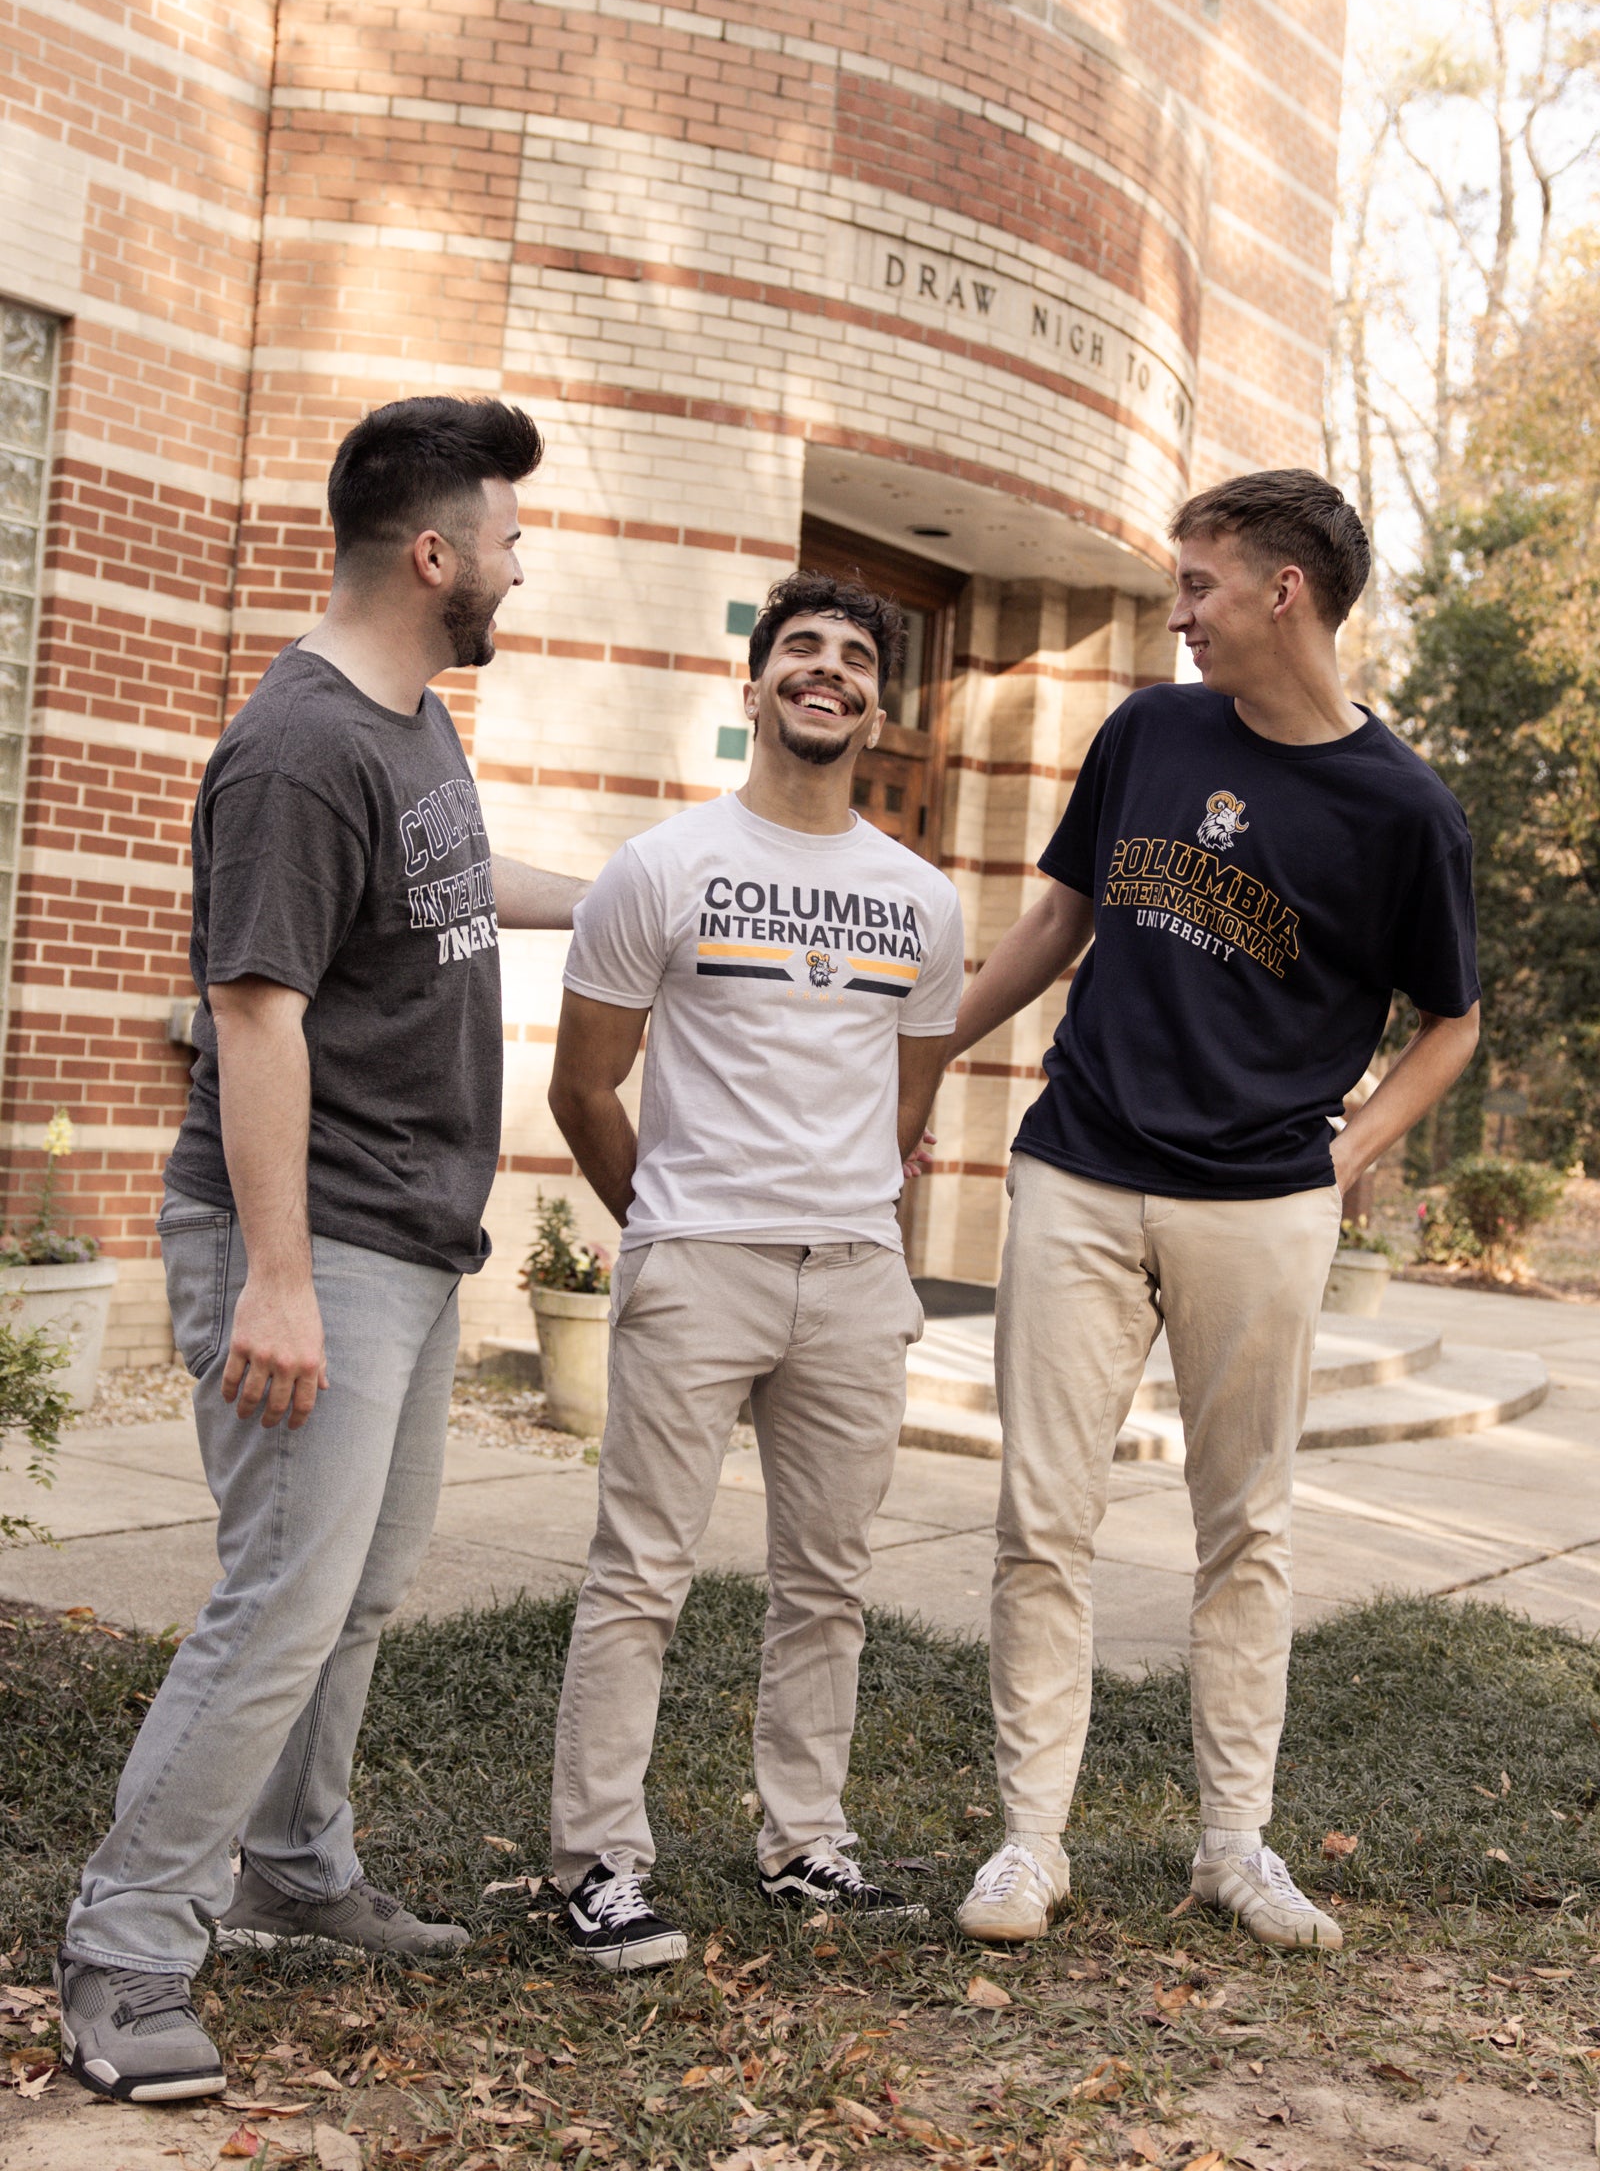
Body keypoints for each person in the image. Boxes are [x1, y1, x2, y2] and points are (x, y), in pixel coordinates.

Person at [56, 396, 587, 2102]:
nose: (521, 562)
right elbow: (253, 1016)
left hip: (409, 1234)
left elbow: (450, 878)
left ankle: (296, 1866)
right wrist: (275, 1280)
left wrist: (659, 891)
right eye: (505, 538)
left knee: (352, 1585)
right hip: (312, 1231)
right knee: (279, 1598)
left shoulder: (411, 720)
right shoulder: (296, 750)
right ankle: (126, 1954)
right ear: (432, 555)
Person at [951, 470, 1480, 1953]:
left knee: (1244, 1527)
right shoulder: (1148, 733)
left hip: (1259, 1199)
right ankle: (1027, 1846)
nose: (1177, 612)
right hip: (1082, 1165)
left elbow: (1453, 1018)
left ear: (1281, 593)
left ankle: (1233, 1845)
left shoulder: (1404, 810)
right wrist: (926, 1054)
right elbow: (1058, 920)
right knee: (1040, 1516)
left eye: (1196, 584)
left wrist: (1355, 1142)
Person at [545, 570, 963, 1971]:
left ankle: (806, 1844)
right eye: (802, 649)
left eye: (853, 656)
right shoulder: (662, 867)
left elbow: (907, 1104)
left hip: (852, 1276)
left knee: (827, 1581)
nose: (827, 670)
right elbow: (584, 1088)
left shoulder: (923, 901)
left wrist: (839, 1201)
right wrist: (663, 1220)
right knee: (640, 1575)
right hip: (697, 1265)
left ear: (881, 708)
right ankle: (599, 1864)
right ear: (757, 684)